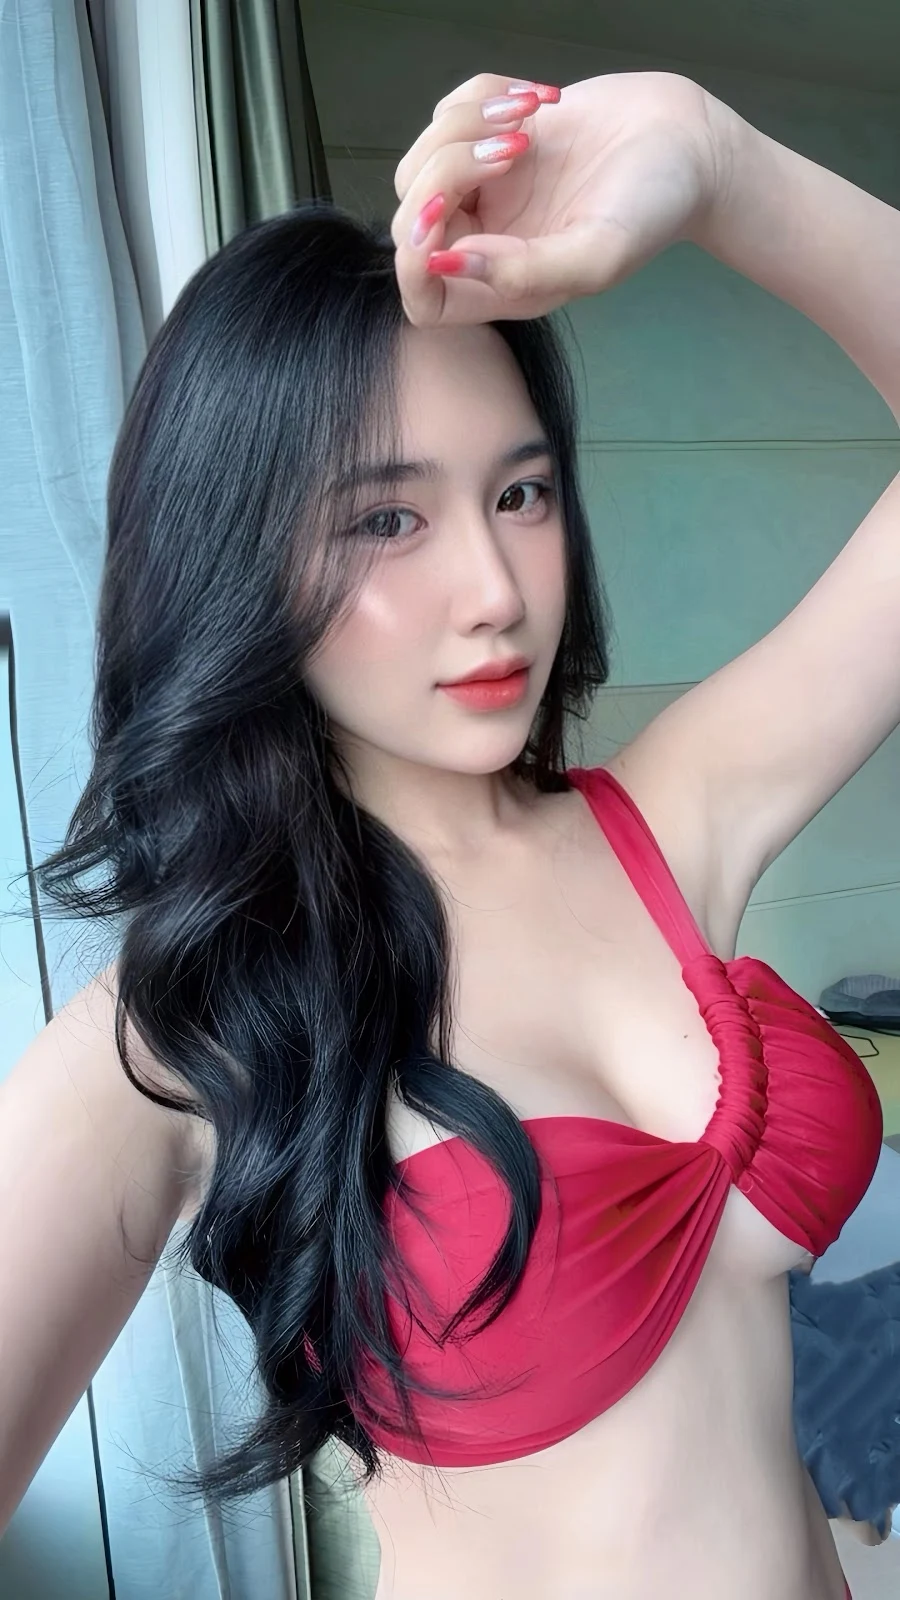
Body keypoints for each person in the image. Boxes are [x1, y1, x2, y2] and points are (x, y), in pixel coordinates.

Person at [1, 66, 898, 1600]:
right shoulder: (190, 1018)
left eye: (522, 493)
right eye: (388, 518)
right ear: (235, 560)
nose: (495, 589)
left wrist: (718, 163)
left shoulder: (663, 825)